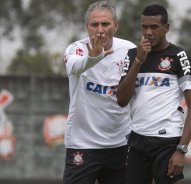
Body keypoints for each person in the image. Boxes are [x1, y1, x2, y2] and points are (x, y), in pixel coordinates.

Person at [117, 4, 191, 184]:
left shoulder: (180, 56)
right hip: (137, 140)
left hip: (167, 141)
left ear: (166, 28)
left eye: (154, 27)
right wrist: (139, 61)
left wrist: (181, 149)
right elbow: (122, 100)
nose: (148, 32)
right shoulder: (132, 55)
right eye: (144, 27)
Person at [63, 1, 136, 184]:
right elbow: (74, 67)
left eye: (105, 24)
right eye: (94, 24)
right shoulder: (77, 48)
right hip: (82, 145)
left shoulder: (130, 50)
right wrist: (93, 57)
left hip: (120, 145)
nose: (100, 30)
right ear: (87, 27)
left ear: (116, 26)